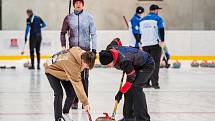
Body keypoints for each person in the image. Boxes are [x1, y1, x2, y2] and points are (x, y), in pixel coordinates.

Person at [99, 46, 155, 121]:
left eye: (108, 65)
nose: (108, 67)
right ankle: (129, 118)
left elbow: (130, 79)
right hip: (135, 65)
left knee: (136, 88)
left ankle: (143, 119)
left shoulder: (124, 61)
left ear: (112, 59)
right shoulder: (110, 49)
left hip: (147, 64)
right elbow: (117, 40)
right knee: (128, 90)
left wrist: (120, 92)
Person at [60, 0, 97, 109]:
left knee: (85, 77)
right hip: (73, 53)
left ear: (83, 4)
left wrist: (94, 49)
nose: (78, 4)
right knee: (74, 76)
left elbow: (94, 34)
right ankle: (74, 101)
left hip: (86, 52)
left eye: (80, 2)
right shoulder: (68, 18)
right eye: (76, 2)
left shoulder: (89, 17)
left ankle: (85, 101)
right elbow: (63, 33)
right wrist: (63, 47)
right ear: (73, 4)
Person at [44, 47, 96, 121]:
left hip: (63, 70)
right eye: (86, 66)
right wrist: (85, 103)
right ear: (83, 61)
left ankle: (65, 113)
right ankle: (58, 118)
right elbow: (78, 84)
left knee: (71, 93)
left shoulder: (83, 54)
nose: (87, 68)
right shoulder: (72, 65)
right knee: (59, 93)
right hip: (51, 70)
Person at [139, 4, 165, 89]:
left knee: (147, 64)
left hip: (145, 45)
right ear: (155, 10)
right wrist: (162, 40)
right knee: (155, 64)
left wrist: (140, 43)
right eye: (158, 10)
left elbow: (139, 33)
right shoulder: (158, 19)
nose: (158, 12)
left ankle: (146, 83)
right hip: (155, 44)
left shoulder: (142, 20)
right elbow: (161, 29)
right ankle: (155, 84)